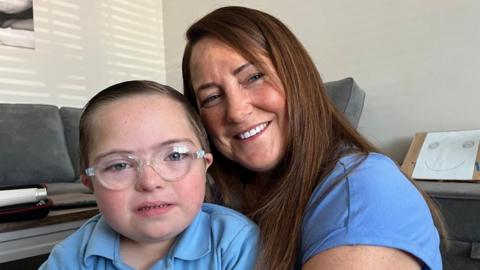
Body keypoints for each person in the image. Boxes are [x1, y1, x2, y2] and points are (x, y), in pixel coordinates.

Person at [182, 6, 442, 270]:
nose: (236, 112)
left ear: (297, 76)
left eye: (254, 77)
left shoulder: (364, 190)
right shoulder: (211, 200)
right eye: (212, 97)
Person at [39, 80, 259, 270]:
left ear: (204, 166)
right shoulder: (69, 259)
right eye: (119, 166)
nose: (150, 182)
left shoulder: (235, 242)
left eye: (174, 155)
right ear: (90, 184)